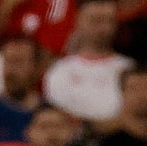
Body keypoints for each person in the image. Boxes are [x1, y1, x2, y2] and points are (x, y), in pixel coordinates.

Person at [42, 0, 132, 132]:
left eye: (109, 21)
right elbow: (55, 113)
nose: (104, 28)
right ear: (79, 21)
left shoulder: (128, 69)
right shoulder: (59, 70)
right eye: (96, 21)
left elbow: (133, 116)